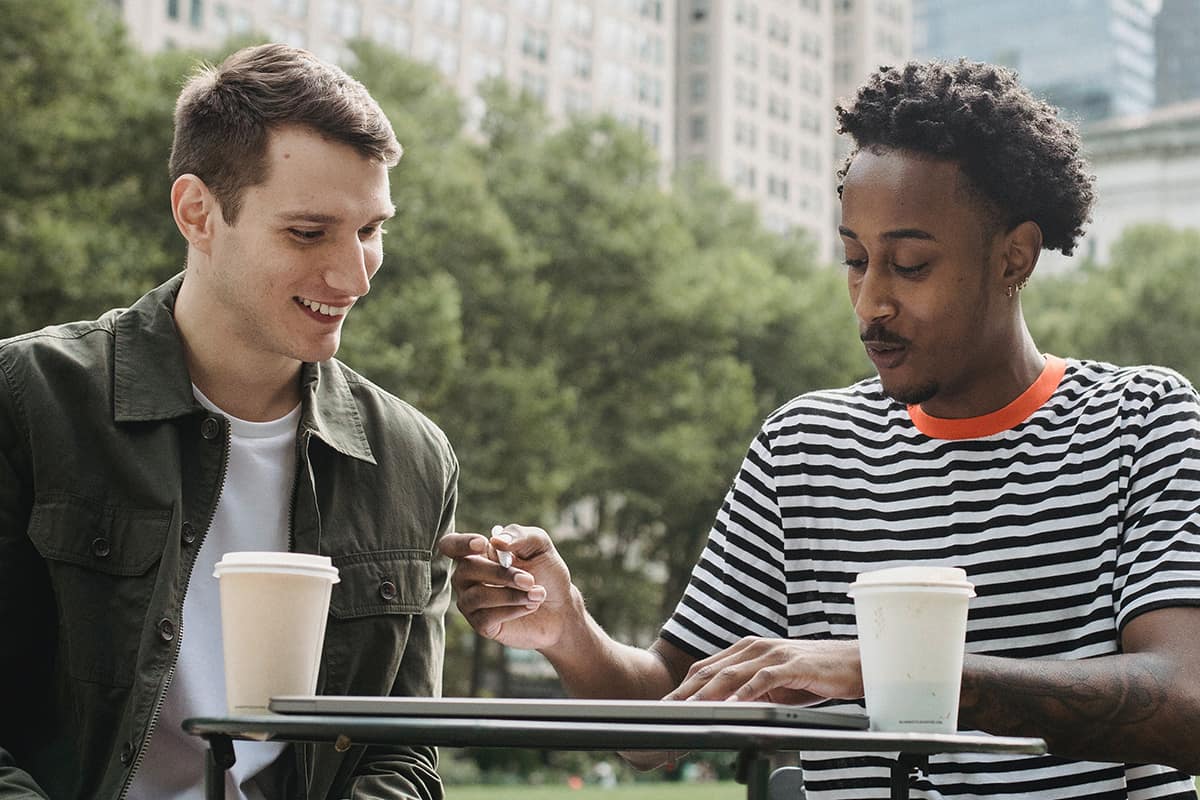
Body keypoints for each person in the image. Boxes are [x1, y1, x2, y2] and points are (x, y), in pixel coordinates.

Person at [441, 60, 1200, 798]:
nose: (870, 302)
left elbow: (1184, 704)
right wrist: (567, 630)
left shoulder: (1143, 424)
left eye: (909, 264)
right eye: (854, 259)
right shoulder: (804, 448)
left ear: (1014, 258)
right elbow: (662, 723)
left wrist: (879, 667)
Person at [0, 44, 457, 800]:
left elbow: (400, 757)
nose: (353, 275)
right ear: (197, 213)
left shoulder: (413, 458)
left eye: (372, 230)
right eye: (308, 233)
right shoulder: (26, 400)